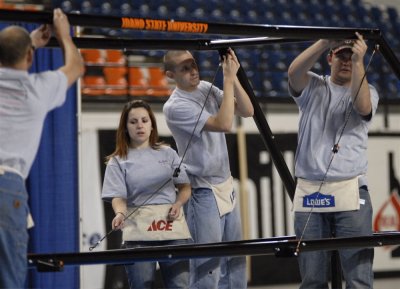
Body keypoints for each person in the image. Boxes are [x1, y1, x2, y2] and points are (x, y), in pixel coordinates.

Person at [0, 8, 84, 288]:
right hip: (7, 185)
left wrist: (30, 43)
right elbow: (76, 67)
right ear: (29, 58)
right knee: (8, 279)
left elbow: (9, 54)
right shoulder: (37, 89)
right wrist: (64, 36)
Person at [288, 32, 379, 289]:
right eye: (342, 55)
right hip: (310, 189)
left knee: (359, 277)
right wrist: (324, 41)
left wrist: (361, 60)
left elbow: (362, 107)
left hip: (350, 188)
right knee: (312, 277)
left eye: (352, 57)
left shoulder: (368, 91)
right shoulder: (314, 85)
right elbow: (293, 72)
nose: (347, 61)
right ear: (330, 58)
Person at [163, 48, 254, 289]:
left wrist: (232, 78)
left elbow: (247, 110)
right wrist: (226, 78)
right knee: (208, 269)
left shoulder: (205, 86)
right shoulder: (174, 107)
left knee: (236, 263)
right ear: (170, 74)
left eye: (193, 64)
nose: (193, 70)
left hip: (225, 183)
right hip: (202, 190)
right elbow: (224, 123)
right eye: (185, 68)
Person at [101, 100, 192, 289]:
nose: (140, 125)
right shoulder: (117, 161)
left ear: (152, 125)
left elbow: (185, 187)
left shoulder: (168, 153)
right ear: (125, 127)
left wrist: (177, 204)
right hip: (138, 236)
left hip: (172, 231)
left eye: (144, 120)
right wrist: (120, 213)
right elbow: (118, 197)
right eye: (133, 122)